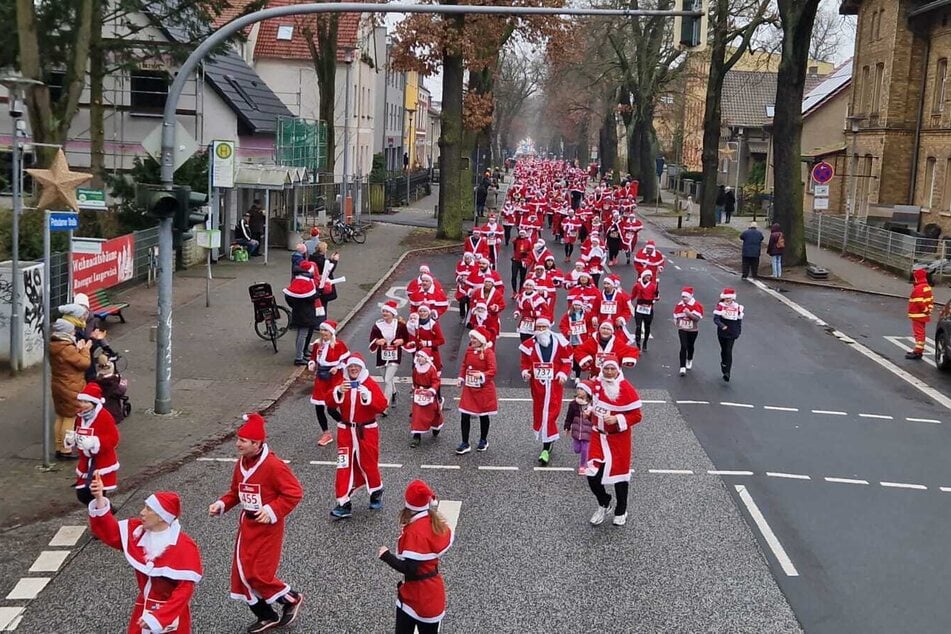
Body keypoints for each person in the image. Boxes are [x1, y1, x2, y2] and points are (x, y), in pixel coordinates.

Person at [208, 413, 304, 633]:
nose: (238, 444)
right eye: (238, 439)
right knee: (242, 574)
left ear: (257, 443)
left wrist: (272, 510)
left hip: (268, 527)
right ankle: (266, 615)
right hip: (247, 526)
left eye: (242, 440)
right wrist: (221, 504)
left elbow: (294, 493)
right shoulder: (242, 463)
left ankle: (292, 598)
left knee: (257, 574)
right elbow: (236, 492)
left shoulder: (273, 466)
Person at [87, 478, 203, 634]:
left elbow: (184, 591)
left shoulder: (184, 546)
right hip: (144, 607)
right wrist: (100, 498)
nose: (142, 512)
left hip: (172, 612)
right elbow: (110, 532)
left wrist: (159, 618)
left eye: (149, 509)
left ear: (162, 517)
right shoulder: (138, 532)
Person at [378, 480, 453, 634]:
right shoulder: (432, 521)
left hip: (416, 595)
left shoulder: (415, 533)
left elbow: (410, 569)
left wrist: (386, 556)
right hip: (433, 594)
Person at [586, 355, 642, 527]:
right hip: (598, 436)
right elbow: (588, 399)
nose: (609, 372)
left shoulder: (626, 388)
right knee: (592, 475)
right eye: (606, 369)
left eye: (612, 369)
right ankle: (604, 502)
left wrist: (617, 419)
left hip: (618, 439)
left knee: (620, 476)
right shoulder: (596, 385)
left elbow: (637, 415)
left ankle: (621, 509)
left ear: (618, 369)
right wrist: (588, 411)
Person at [330, 353, 389, 518]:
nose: (353, 369)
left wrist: (367, 397)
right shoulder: (343, 383)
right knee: (343, 466)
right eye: (350, 367)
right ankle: (343, 503)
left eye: (356, 366)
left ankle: (376, 491)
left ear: (362, 368)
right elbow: (330, 402)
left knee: (368, 463)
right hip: (346, 431)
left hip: (367, 431)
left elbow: (382, 405)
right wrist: (338, 392)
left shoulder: (369, 383)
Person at [519, 318, 572, 466]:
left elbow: (566, 361)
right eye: (539, 327)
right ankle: (548, 439)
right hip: (538, 384)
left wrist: (562, 374)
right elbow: (525, 362)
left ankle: (546, 446)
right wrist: (526, 372)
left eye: (544, 326)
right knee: (540, 411)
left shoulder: (559, 342)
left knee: (551, 412)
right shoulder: (529, 345)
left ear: (548, 327)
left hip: (554, 383)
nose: (541, 329)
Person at [65, 382, 120, 505]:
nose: (83, 405)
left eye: (86, 402)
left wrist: (95, 442)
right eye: (82, 401)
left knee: (94, 493)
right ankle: (107, 512)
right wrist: (72, 439)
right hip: (86, 463)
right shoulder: (80, 417)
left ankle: (104, 515)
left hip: (101, 462)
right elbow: (79, 433)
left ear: (94, 403)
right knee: (83, 494)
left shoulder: (105, 416)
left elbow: (114, 439)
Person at [50, 318, 91, 460]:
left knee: (61, 416)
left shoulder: (54, 345)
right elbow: (83, 363)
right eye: (72, 330)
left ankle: (58, 447)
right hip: (70, 386)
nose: (74, 332)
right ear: (66, 332)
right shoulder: (66, 348)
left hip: (58, 384)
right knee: (70, 417)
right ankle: (66, 450)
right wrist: (85, 349)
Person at [456, 327, 498, 455]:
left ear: (481, 340)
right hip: (469, 388)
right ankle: (465, 442)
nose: (472, 340)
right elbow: (464, 365)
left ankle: (483, 440)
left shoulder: (488, 353)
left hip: (483, 389)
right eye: (472, 338)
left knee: (483, 415)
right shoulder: (469, 350)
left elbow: (493, 370)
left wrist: (481, 375)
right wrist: (461, 378)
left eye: (475, 338)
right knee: (465, 415)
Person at [308, 320, 350, 447]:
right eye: (321, 330)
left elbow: (347, 360)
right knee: (319, 407)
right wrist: (312, 364)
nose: (323, 333)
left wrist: (337, 367)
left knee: (332, 408)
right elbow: (313, 358)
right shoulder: (317, 345)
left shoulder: (339, 345)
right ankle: (326, 433)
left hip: (334, 378)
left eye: (325, 330)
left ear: (331, 332)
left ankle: (347, 425)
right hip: (321, 378)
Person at [369, 301, 411, 414]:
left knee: (387, 379)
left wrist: (401, 341)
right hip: (381, 356)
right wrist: (378, 341)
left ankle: (384, 405)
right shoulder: (377, 325)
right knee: (387, 378)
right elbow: (372, 339)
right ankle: (394, 392)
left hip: (395, 355)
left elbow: (407, 338)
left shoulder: (400, 325)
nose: (384, 313)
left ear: (393, 313)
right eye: (383, 311)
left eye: (387, 311)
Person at [284, 261, 321, 366]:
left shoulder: (296, 280)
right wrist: (319, 293)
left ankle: (300, 354)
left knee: (300, 334)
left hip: (297, 311)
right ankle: (299, 357)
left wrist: (294, 306)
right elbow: (311, 296)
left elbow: (289, 296)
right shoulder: (307, 282)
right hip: (306, 313)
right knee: (302, 335)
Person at [574, 322, 640, 378]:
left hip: (613, 376)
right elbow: (579, 350)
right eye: (603, 328)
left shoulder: (617, 342)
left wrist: (627, 360)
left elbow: (632, 351)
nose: (605, 331)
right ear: (599, 330)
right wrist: (587, 360)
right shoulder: (592, 341)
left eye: (608, 329)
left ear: (612, 332)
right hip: (595, 376)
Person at [409, 350, 444, 448]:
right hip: (419, 394)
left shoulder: (431, 369)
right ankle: (417, 436)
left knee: (432, 412)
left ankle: (436, 427)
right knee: (417, 415)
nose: (419, 358)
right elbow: (414, 379)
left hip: (429, 394)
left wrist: (431, 390)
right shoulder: (416, 368)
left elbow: (436, 382)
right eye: (418, 356)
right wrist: (414, 388)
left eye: (421, 356)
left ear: (426, 358)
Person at [713, 288, 743, 382]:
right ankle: (723, 363)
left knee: (728, 350)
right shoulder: (720, 306)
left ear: (732, 298)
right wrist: (722, 326)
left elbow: (739, 320)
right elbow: (716, 319)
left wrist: (738, 331)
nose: (728, 300)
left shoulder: (737, 307)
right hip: (722, 332)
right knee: (724, 350)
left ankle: (727, 373)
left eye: (729, 298)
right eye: (726, 298)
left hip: (732, 331)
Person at [564, 381, 595, 475]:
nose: (579, 391)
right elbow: (569, 416)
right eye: (578, 389)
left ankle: (583, 466)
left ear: (587, 392)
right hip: (576, 431)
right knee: (577, 449)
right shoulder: (573, 404)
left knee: (585, 449)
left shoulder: (592, 405)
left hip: (588, 432)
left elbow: (596, 417)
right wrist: (567, 427)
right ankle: (584, 455)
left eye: (581, 389)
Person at [673, 287, 704, 377]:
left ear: (690, 297)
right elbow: (676, 314)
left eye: (686, 297)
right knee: (683, 346)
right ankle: (682, 367)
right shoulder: (680, 305)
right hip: (682, 329)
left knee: (690, 346)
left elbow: (697, 319)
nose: (684, 299)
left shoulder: (696, 305)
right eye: (683, 297)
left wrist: (689, 313)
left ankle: (689, 359)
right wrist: (676, 320)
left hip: (692, 329)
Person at [906, 268, 935, 360]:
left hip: (918, 314)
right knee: (920, 332)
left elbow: (919, 302)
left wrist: (925, 310)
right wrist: (928, 310)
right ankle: (918, 350)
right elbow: (930, 300)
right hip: (922, 315)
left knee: (918, 333)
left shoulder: (919, 288)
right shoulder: (926, 286)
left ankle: (918, 351)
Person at [630, 269, 659, 350]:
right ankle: (638, 345)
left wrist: (656, 297)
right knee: (638, 326)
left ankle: (645, 342)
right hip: (639, 308)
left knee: (647, 326)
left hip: (648, 309)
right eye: (647, 276)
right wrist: (627, 301)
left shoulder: (653, 286)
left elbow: (656, 296)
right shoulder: (637, 285)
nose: (648, 277)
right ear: (643, 276)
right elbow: (633, 295)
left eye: (650, 276)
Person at [95, 354, 128, 424]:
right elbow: (120, 391)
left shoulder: (97, 381)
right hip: (112, 411)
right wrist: (123, 384)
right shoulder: (113, 383)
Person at [510, 229, 532, 295]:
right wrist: (517, 237)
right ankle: (514, 291)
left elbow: (530, 251)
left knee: (522, 277)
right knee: (514, 276)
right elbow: (513, 241)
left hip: (523, 261)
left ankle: (520, 291)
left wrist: (526, 252)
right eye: (521, 233)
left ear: (525, 235)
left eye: (523, 234)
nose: (522, 235)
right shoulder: (516, 240)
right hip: (515, 260)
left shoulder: (528, 241)